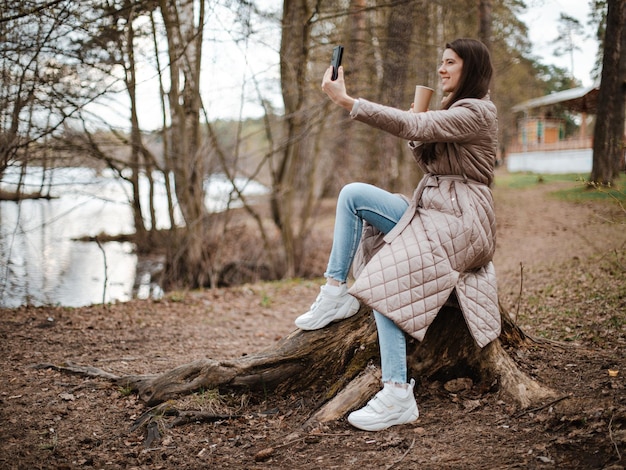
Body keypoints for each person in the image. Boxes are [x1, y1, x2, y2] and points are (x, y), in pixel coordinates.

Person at [295, 38, 501, 431]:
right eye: (441, 62)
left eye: (449, 63)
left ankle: (397, 394)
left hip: (463, 221)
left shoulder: (477, 111)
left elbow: (413, 126)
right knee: (354, 195)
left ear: (469, 69)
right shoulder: (453, 110)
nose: (441, 69)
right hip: (433, 210)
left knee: (391, 273)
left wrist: (348, 101)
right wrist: (418, 132)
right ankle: (335, 291)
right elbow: (427, 154)